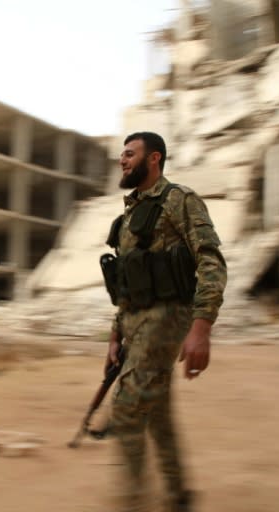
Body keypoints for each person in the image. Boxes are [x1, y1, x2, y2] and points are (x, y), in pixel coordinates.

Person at [104, 132, 227, 512]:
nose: (122, 161)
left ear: (153, 158)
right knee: (156, 414)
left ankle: (133, 503)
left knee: (126, 408)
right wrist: (115, 335)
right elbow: (127, 284)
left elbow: (211, 261)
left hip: (169, 317)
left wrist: (201, 328)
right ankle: (178, 497)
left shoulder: (179, 200)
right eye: (121, 155)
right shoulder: (128, 217)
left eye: (130, 154)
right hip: (137, 322)